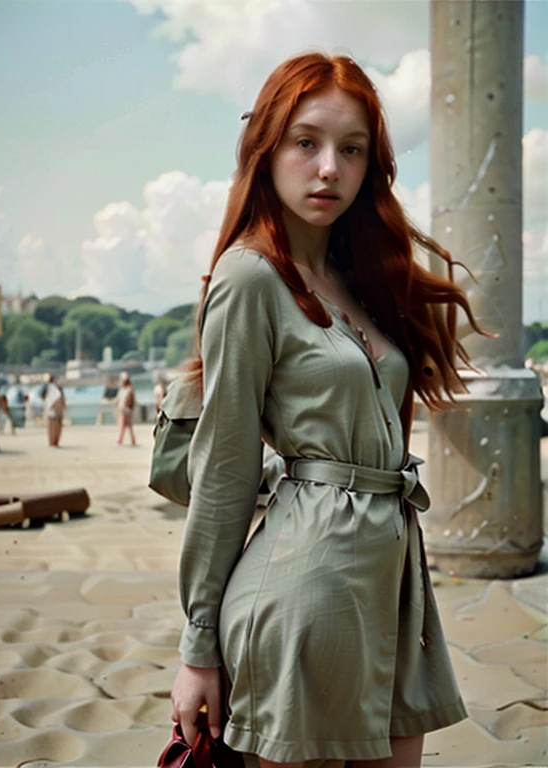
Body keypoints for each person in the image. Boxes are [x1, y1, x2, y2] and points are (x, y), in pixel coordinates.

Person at [170, 53, 487, 768]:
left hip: (397, 575)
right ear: (267, 147)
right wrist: (198, 649)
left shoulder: (354, 274)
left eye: (351, 150)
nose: (328, 169)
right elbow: (224, 469)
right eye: (306, 142)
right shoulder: (250, 277)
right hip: (307, 582)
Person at [42, 373, 66, 447]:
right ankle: (56, 442)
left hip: (51, 408)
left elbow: (44, 398)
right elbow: (62, 398)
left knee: (51, 425)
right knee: (58, 425)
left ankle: (51, 442)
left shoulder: (47, 387)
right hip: (58, 408)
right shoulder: (58, 387)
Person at [115, 372, 136, 446]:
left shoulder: (128, 389)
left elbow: (130, 400)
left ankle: (120, 439)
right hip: (124, 408)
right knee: (126, 425)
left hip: (125, 409)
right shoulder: (124, 389)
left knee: (123, 424)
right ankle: (131, 440)